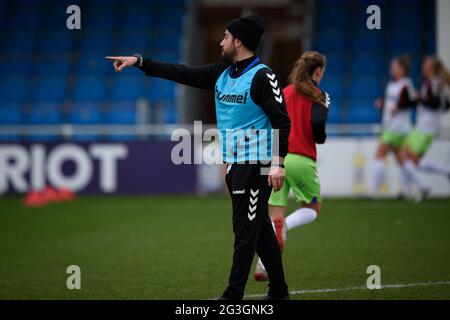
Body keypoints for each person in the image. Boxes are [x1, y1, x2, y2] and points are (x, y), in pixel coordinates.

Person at [106, 14, 291, 300]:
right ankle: (279, 291)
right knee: (259, 231)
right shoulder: (223, 73)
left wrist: (278, 163)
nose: (221, 42)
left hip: (257, 165)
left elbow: (282, 120)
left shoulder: (262, 76)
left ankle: (232, 296)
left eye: (226, 37)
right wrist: (140, 62)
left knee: (244, 232)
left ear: (239, 42)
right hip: (234, 166)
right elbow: (183, 72)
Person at [253, 51, 329, 281]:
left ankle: (261, 268)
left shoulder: (283, 93)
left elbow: (270, 123)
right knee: (312, 209)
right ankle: (284, 225)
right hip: (301, 159)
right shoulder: (320, 95)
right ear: (317, 72)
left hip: (276, 160)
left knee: (272, 217)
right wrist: (320, 136)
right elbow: (317, 122)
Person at [399, 56, 450, 201]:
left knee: (412, 161)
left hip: (427, 128)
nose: (423, 66)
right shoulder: (432, 82)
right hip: (421, 126)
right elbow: (444, 105)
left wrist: (419, 98)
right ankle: (408, 191)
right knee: (404, 155)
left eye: (426, 64)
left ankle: (422, 187)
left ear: (432, 68)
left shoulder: (435, 82)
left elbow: (436, 103)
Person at [372, 54, 417, 198]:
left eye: (395, 66)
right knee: (401, 160)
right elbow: (395, 103)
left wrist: (398, 107)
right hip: (391, 126)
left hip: (396, 128)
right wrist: (383, 105)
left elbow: (411, 102)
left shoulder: (405, 84)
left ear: (402, 69)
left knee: (379, 155)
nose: (392, 68)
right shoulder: (393, 84)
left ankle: (375, 191)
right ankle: (409, 190)